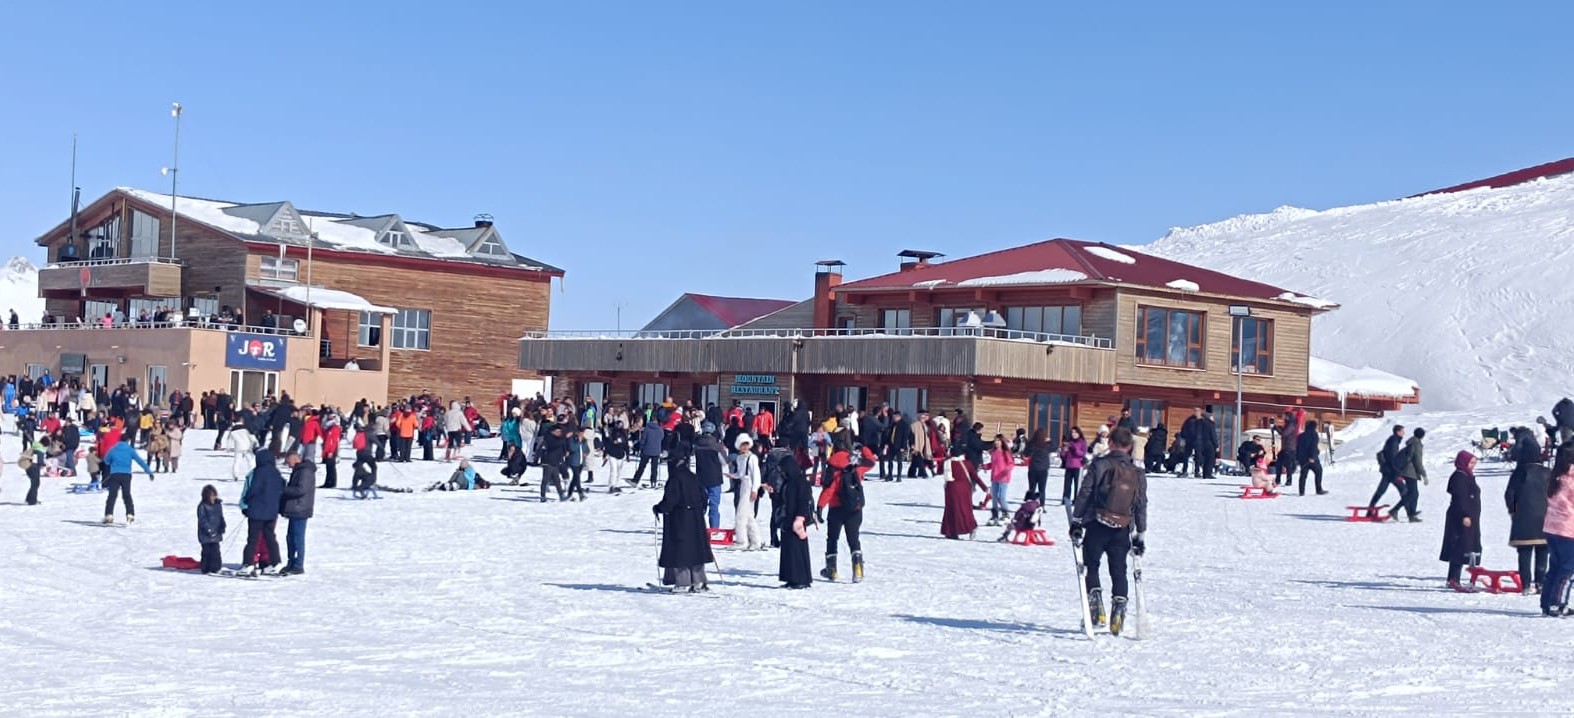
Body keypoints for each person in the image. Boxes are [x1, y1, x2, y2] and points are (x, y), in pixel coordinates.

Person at [1069, 427, 1148, 636]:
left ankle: (1097, 608)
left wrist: (1077, 519)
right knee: (1119, 570)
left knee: (1091, 565)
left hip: (1097, 523)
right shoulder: (1137, 473)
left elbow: (1085, 492)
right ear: (1129, 446)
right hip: (1122, 527)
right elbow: (1141, 504)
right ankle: (1119, 608)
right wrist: (1140, 533)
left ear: (1111, 443)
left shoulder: (1100, 465)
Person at [652, 438, 713, 592]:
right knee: (696, 548)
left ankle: (683, 583)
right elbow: (703, 496)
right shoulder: (693, 477)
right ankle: (699, 581)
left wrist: (658, 508)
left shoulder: (675, 479)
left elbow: (670, 500)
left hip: (680, 518)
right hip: (696, 518)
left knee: (681, 550)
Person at [818, 447, 872, 581]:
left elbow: (828, 491)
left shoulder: (834, 472)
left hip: (836, 509)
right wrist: (863, 448)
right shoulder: (856, 469)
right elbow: (871, 461)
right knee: (854, 539)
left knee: (832, 539)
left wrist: (820, 507)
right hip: (855, 509)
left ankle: (832, 569)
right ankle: (858, 570)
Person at [1505, 459, 1551, 595]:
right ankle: (1540, 583)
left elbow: (1509, 494)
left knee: (1524, 553)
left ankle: (1525, 585)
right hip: (1545, 518)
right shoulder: (1548, 472)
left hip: (1523, 519)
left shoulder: (1518, 473)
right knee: (1543, 552)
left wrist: (1513, 511)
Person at [1441, 451, 1483, 592]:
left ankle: (1456, 578)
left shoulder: (1467, 475)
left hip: (1470, 516)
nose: (1472, 466)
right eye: (1471, 463)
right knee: (1459, 545)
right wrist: (1465, 515)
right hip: (1460, 517)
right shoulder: (1459, 476)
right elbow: (1460, 497)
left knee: (1466, 546)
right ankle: (1453, 578)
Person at [240, 449, 285, 575]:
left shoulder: (258, 472)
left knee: (253, 539)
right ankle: (275, 562)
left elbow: (253, 489)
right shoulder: (276, 473)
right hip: (272, 512)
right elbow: (282, 488)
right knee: (270, 537)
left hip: (257, 510)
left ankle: (248, 564)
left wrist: (246, 501)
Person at [1541, 447, 1574, 616]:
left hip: (1552, 527)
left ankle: (1546, 603)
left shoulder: (1556, 476)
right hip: (1568, 529)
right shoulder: (1571, 478)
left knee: (1555, 567)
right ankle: (1557, 603)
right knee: (1567, 569)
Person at [774, 453, 814, 588]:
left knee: (797, 550)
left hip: (796, 519)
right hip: (787, 518)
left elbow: (803, 501)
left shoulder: (801, 481)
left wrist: (800, 518)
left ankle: (801, 579)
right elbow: (782, 498)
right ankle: (791, 577)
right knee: (788, 550)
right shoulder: (788, 481)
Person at [103, 433, 154, 524]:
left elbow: (106, 460)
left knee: (112, 495)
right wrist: (149, 472)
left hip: (115, 474)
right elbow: (140, 461)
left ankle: (109, 515)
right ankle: (130, 514)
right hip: (126, 475)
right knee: (126, 495)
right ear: (128, 441)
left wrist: (112, 463)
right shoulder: (130, 450)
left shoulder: (113, 449)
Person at [280, 451, 316, 576]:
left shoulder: (305, 471)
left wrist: (283, 490)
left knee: (297, 537)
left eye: (288, 461)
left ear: (295, 459)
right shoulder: (299, 470)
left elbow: (301, 489)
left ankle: (298, 564)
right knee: (290, 537)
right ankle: (291, 562)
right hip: (295, 507)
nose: (287, 464)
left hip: (300, 508)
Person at [731, 434, 764, 551]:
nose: (744, 447)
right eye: (742, 445)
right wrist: (732, 475)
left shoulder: (752, 458)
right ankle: (755, 541)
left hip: (750, 485)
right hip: (743, 485)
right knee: (749, 516)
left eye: (746, 444)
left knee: (741, 515)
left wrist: (755, 489)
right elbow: (741, 474)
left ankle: (742, 540)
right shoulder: (740, 458)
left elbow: (756, 475)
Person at [1367, 425, 1407, 518]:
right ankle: (1404, 512)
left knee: (1381, 490)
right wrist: (1398, 471)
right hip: (1391, 471)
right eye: (1402, 431)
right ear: (1398, 432)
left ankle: (1370, 510)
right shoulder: (1394, 441)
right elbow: (1392, 458)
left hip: (1388, 470)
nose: (1404, 433)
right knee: (1405, 491)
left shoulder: (1393, 440)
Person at [1393, 428, 1427, 522]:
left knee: (1413, 494)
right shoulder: (1417, 444)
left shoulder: (1411, 442)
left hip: (1407, 471)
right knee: (1413, 494)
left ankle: (1411, 514)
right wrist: (1424, 475)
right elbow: (1418, 461)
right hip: (1410, 472)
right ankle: (1395, 510)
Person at [694, 428, 726, 528]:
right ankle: (714, 528)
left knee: (700, 505)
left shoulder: (697, 445)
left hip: (701, 478)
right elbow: (724, 462)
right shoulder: (717, 446)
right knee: (714, 505)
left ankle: (698, 528)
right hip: (715, 478)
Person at [941, 457, 979, 540]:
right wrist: (984, 488)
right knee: (965, 510)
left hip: (951, 488)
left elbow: (940, 471)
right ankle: (971, 526)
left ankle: (951, 532)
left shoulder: (948, 463)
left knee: (951, 510)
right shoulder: (967, 463)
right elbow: (975, 476)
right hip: (965, 489)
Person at [198, 485, 226, 575]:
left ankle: (216, 567)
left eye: (214, 495)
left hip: (216, 533)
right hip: (205, 534)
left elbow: (221, 517)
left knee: (216, 551)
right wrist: (209, 530)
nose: (213, 497)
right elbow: (202, 520)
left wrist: (223, 525)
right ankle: (205, 568)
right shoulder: (202, 506)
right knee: (207, 551)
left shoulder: (218, 505)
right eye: (211, 495)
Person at [986, 434, 1013, 526]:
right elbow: (993, 464)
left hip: (1003, 478)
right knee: (994, 497)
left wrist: (1006, 470)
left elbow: (1011, 464)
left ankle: (1006, 515)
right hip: (994, 477)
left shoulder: (1005, 452)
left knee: (1001, 497)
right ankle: (995, 515)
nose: (996, 442)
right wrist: (986, 466)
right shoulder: (994, 452)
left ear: (1002, 442)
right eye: (995, 441)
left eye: (998, 441)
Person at [1059, 427, 1088, 505]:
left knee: (1077, 485)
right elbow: (1063, 455)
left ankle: (1076, 500)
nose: (1073, 434)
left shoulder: (1082, 442)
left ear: (1079, 433)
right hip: (1069, 465)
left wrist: (1074, 449)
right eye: (1072, 432)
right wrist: (1064, 451)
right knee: (1067, 485)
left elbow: (1082, 453)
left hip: (1078, 466)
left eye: (1075, 432)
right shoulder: (1069, 442)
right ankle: (1065, 499)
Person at [1296, 420, 1326, 496]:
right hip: (1311, 459)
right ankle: (1319, 489)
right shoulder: (1314, 435)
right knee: (1319, 471)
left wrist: (1297, 459)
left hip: (1302, 459)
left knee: (1303, 475)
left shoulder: (1300, 436)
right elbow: (1313, 446)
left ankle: (1301, 492)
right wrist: (1312, 456)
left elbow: (1297, 448)